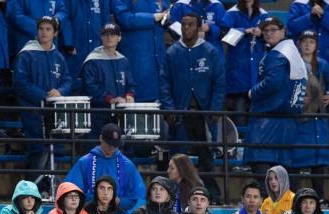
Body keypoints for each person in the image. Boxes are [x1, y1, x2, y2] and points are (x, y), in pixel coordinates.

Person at [160, 12, 226, 200]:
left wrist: (214, 108)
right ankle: (173, 196)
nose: (186, 28)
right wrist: (169, 109)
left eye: (190, 25)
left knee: (206, 156)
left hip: (203, 114)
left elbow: (219, 83)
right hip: (180, 113)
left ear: (198, 27)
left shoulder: (210, 51)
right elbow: (164, 83)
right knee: (178, 157)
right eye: (184, 24)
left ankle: (212, 195)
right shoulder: (172, 52)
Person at [243, 17, 306, 171]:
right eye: (265, 31)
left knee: (263, 171)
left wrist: (253, 92)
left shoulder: (277, 54)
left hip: (269, 119)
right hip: (287, 118)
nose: (269, 34)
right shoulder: (292, 51)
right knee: (284, 173)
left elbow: (273, 81)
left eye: (273, 30)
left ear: (283, 32)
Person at [14, 16, 73, 177]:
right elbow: (20, 82)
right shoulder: (26, 54)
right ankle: (34, 187)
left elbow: (67, 79)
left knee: (54, 149)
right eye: (41, 29)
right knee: (37, 150)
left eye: (48, 29)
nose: (44, 32)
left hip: (53, 112)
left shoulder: (58, 56)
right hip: (32, 111)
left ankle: (48, 185)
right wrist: (44, 95)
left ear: (55, 33)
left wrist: (60, 91)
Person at [65, 124, 145, 211]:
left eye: (115, 145)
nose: (112, 148)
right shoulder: (84, 162)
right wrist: (93, 200)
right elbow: (71, 189)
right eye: (109, 144)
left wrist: (121, 202)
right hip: (89, 213)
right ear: (101, 138)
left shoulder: (127, 165)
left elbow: (138, 195)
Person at [293, 29, 329, 180]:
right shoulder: (293, 63)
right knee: (297, 160)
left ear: (316, 45)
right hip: (301, 117)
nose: (307, 45)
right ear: (299, 44)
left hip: (319, 116)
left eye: (311, 42)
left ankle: (320, 197)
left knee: (320, 161)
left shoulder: (323, 64)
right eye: (304, 41)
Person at [80, 25, 137, 135]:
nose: (109, 38)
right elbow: (90, 87)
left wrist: (130, 95)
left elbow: (131, 84)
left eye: (113, 34)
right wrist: (109, 99)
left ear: (119, 38)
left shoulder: (123, 60)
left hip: (120, 112)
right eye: (106, 35)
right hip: (98, 113)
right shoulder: (92, 60)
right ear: (101, 37)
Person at [113, 0, 168, 103]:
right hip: (136, 59)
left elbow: (167, 13)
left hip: (158, 59)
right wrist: (152, 17)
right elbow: (124, 19)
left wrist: (168, 18)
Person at [219, 0, 267, 116]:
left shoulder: (263, 14)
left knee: (257, 103)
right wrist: (244, 31)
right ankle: (240, 133)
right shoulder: (232, 13)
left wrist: (261, 34)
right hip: (238, 63)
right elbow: (225, 36)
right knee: (239, 102)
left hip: (256, 62)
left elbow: (270, 37)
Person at [286, 0, 329, 72]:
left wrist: (324, 14)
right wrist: (310, 16)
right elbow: (292, 27)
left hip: (328, 56)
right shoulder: (298, 4)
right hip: (303, 57)